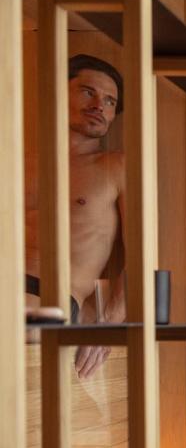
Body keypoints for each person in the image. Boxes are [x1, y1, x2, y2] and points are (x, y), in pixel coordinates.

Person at [25, 54, 127, 379]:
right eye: (88, 92)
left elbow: (144, 255)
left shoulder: (116, 167)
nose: (100, 105)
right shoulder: (13, 161)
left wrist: (108, 326)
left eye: (110, 101)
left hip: (50, 296)